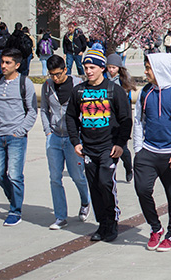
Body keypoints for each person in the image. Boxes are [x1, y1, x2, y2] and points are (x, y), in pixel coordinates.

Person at [66, 45, 132, 242]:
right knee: (94, 186)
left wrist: (120, 144)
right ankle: (102, 224)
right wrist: (75, 142)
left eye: (92, 68)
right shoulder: (79, 91)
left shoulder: (114, 91)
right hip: (88, 148)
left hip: (108, 148)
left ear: (102, 68)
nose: (88, 71)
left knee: (105, 183)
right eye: (86, 68)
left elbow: (125, 119)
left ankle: (112, 222)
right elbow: (71, 117)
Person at [133, 53, 171, 252]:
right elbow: (138, 122)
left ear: (159, 69)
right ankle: (156, 228)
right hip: (148, 153)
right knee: (142, 190)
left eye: (148, 68)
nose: (145, 72)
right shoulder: (145, 93)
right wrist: (138, 150)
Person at [0, 48, 37, 226]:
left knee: (15, 175)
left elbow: (32, 110)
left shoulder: (25, 83)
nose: (3, 66)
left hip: (16, 136)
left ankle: (15, 211)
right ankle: (14, 198)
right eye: (2, 62)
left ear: (17, 65)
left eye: (8, 63)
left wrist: (21, 131)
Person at [41, 55, 91, 230]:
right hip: (54, 136)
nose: (55, 78)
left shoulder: (78, 85)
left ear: (65, 70)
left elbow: (86, 111)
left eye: (58, 74)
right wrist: (47, 131)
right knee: (55, 178)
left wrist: (81, 136)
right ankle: (60, 216)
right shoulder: (47, 86)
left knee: (77, 174)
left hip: (73, 138)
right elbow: (44, 110)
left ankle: (86, 201)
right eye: (51, 74)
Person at [106, 54, 135, 183]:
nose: (111, 70)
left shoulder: (123, 81)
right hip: (108, 118)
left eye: (114, 67)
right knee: (110, 152)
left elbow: (127, 104)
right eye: (109, 67)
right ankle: (112, 175)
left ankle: (129, 168)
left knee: (123, 150)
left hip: (121, 118)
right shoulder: (104, 79)